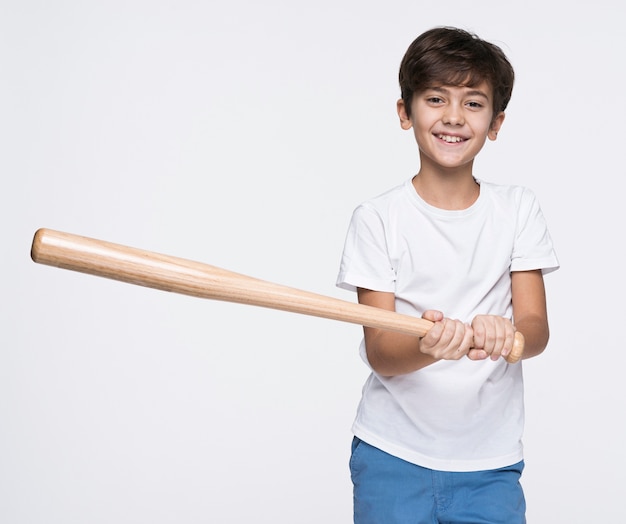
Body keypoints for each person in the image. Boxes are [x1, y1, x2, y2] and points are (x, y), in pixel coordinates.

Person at [336, 26, 559, 523]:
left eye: (473, 103)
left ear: (496, 122)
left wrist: (509, 336)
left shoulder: (518, 210)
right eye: (436, 98)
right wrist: (427, 345)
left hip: (490, 463)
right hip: (390, 455)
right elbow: (382, 354)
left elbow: (536, 329)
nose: (454, 117)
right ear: (405, 112)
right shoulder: (377, 219)